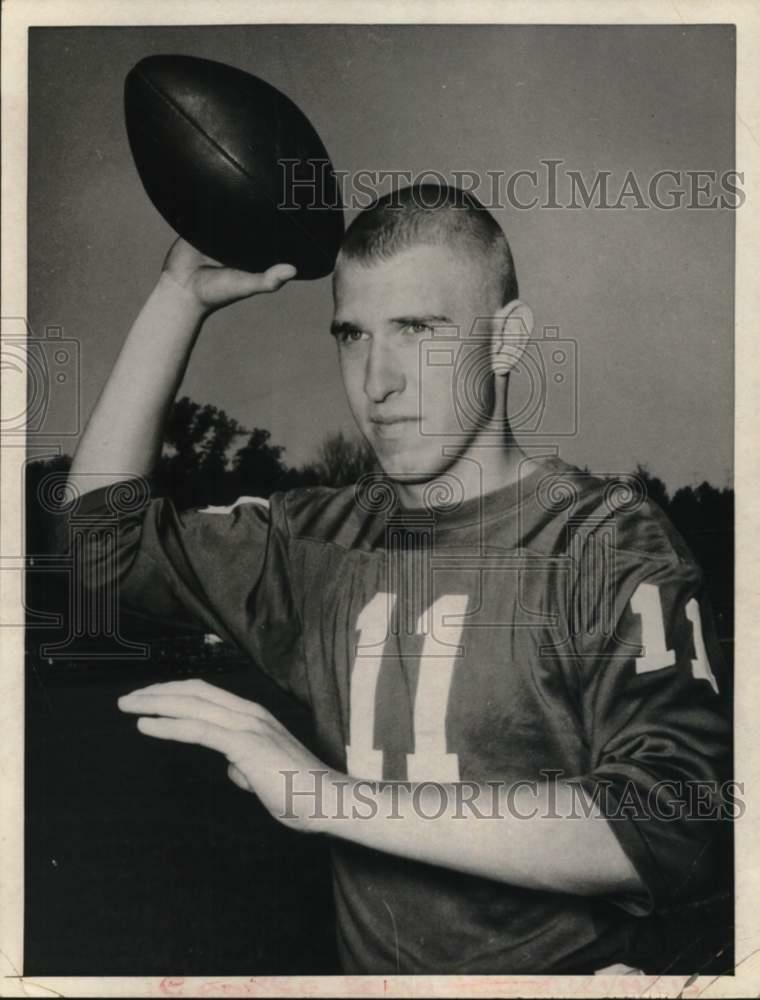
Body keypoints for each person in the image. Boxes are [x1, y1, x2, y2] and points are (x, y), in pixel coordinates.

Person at [65, 185, 730, 974]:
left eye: (419, 329)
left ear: (507, 339)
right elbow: (95, 544)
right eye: (352, 335)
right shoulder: (319, 540)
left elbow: (672, 824)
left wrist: (326, 797)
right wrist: (177, 299)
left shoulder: (604, 542)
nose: (377, 381)